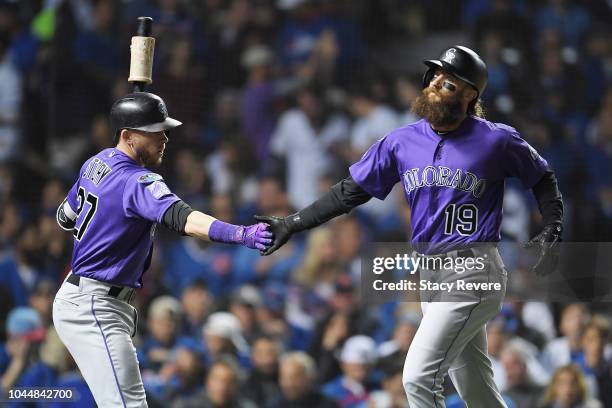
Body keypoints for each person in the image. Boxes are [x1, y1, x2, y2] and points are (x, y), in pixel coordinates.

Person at [256, 45, 564, 407]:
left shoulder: (496, 138)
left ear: (469, 95)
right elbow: (348, 193)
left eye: (448, 81)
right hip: (430, 271)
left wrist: (554, 220)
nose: (435, 83)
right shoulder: (402, 141)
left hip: (473, 268)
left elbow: (542, 176)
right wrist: (293, 223)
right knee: (474, 384)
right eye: (434, 75)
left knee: (417, 377)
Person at [52, 92, 272, 407]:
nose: (165, 137)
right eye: (154, 131)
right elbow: (184, 219)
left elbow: (65, 217)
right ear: (127, 136)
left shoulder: (95, 162)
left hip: (91, 297)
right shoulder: (138, 181)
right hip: (95, 304)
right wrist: (240, 233)